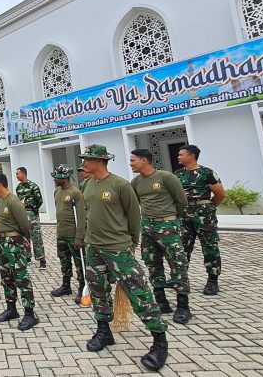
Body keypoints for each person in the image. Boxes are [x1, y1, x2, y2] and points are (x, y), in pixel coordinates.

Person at [79, 144, 168, 371]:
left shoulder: (120, 185)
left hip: (118, 248)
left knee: (139, 291)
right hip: (94, 248)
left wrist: (132, 243)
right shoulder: (88, 184)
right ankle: (103, 331)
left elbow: (133, 215)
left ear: (99, 161)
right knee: (98, 290)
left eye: (87, 159)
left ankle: (159, 341)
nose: (83, 163)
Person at [130, 149, 192, 324]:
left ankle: (183, 306)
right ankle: (161, 301)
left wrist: (170, 219)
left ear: (144, 160)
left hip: (167, 226)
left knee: (177, 264)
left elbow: (181, 202)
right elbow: (136, 203)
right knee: (152, 263)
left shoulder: (166, 177)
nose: (131, 163)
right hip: (147, 227)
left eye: (133, 160)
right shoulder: (136, 182)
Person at [0, 172, 39, 331]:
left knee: (21, 277)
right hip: (2, 244)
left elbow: (24, 224)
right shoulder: (1, 200)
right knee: (6, 277)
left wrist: (23, 241)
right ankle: (11, 308)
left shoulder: (14, 201)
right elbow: (0, 217)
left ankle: (30, 313)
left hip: (14, 243)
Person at [175, 144, 225, 295]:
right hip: (185, 214)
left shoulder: (207, 173)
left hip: (204, 215)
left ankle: (212, 281)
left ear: (191, 156)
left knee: (210, 246)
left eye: (181, 154)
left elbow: (220, 194)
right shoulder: (178, 174)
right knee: (182, 247)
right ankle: (181, 279)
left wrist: (208, 207)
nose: (178, 157)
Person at [49, 165, 87, 304]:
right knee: (64, 261)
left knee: (79, 263)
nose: (54, 179)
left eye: (57, 178)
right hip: (61, 233)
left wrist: (79, 237)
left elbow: (81, 217)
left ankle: (83, 287)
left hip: (73, 235)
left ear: (65, 178)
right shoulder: (57, 191)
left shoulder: (75, 193)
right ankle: (66, 286)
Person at [16, 167, 46, 270]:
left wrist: (35, 209)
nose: (16, 176)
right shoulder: (18, 187)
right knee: (25, 237)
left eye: (18, 174)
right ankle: (27, 258)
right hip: (23, 215)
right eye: (16, 174)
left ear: (24, 174)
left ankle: (42, 260)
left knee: (36, 237)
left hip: (32, 214)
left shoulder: (33, 186)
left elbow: (39, 200)